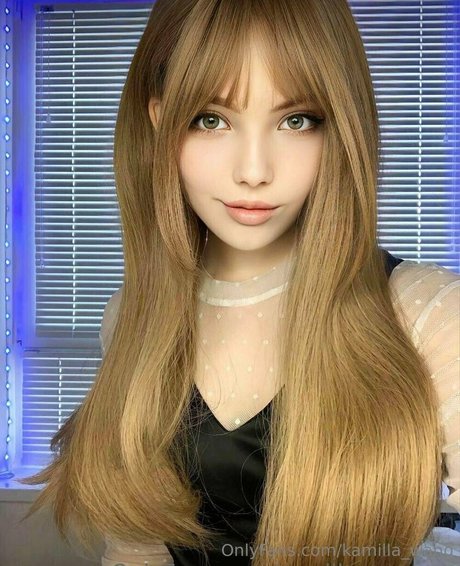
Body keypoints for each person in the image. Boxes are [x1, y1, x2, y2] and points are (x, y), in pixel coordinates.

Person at [18, 0, 459, 565]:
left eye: (297, 120)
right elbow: (138, 547)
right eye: (212, 119)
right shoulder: (130, 315)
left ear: (342, 126)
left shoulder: (428, 316)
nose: (254, 171)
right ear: (159, 118)